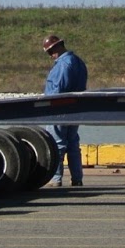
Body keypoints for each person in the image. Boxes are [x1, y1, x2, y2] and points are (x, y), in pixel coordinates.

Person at [41, 34, 88, 188]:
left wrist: (49, 106)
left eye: (51, 51)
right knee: (73, 144)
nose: (51, 55)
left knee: (57, 144)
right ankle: (77, 178)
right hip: (75, 109)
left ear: (59, 46)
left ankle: (56, 179)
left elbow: (58, 89)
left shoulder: (63, 64)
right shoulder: (78, 62)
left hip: (59, 109)